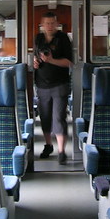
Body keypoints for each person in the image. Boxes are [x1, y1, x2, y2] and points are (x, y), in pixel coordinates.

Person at [33, 11, 73, 165]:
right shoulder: (39, 38)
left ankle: (61, 151)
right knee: (45, 118)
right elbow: (36, 56)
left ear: (57, 24)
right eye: (46, 23)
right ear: (42, 25)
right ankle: (48, 145)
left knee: (59, 118)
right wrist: (36, 63)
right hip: (42, 84)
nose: (49, 26)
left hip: (60, 85)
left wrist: (51, 60)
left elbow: (69, 62)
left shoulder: (63, 38)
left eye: (52, 23)